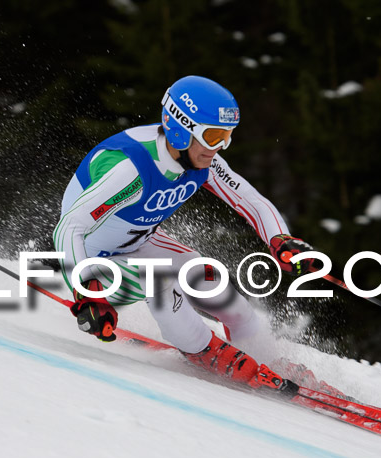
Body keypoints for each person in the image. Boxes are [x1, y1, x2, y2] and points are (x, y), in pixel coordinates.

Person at [53, 75, 314, 396]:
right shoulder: (131, 167)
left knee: (211, 281)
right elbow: (69, 227)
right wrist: (88, 293)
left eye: (227, 137)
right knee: (160, 279)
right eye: (214, 136)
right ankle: (207, 352)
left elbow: (248, 199)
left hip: (138, 242)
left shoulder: (200, 159)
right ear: (181, 128)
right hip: (91, 259)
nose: (220, 147)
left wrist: (280, 241)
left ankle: (263, 355)